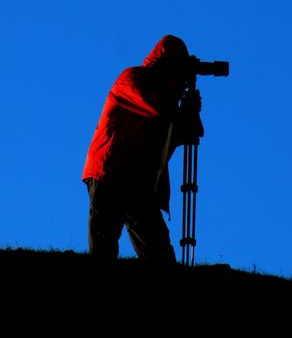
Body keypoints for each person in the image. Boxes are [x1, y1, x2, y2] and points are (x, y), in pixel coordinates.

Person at [82, 35, 203, 263]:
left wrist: (190, 110)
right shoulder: (131, 79)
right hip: (109, 174)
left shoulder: (167, 100)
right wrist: (177, 95)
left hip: (137, 184)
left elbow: (185, 133)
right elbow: (157, 107)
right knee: (102, 252)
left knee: (160, 258)